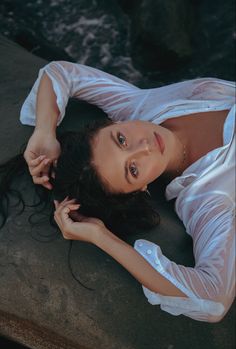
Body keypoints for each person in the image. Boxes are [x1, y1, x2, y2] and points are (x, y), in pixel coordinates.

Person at [16, 61, 236, 322]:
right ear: (140, 189)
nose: (144, 147)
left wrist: (44, 131)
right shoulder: (208, 199)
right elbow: (213, 300)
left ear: (111, 123)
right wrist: (101, 237)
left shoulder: (140, 107)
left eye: (120, 139)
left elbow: (60, 72)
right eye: (133, 170)